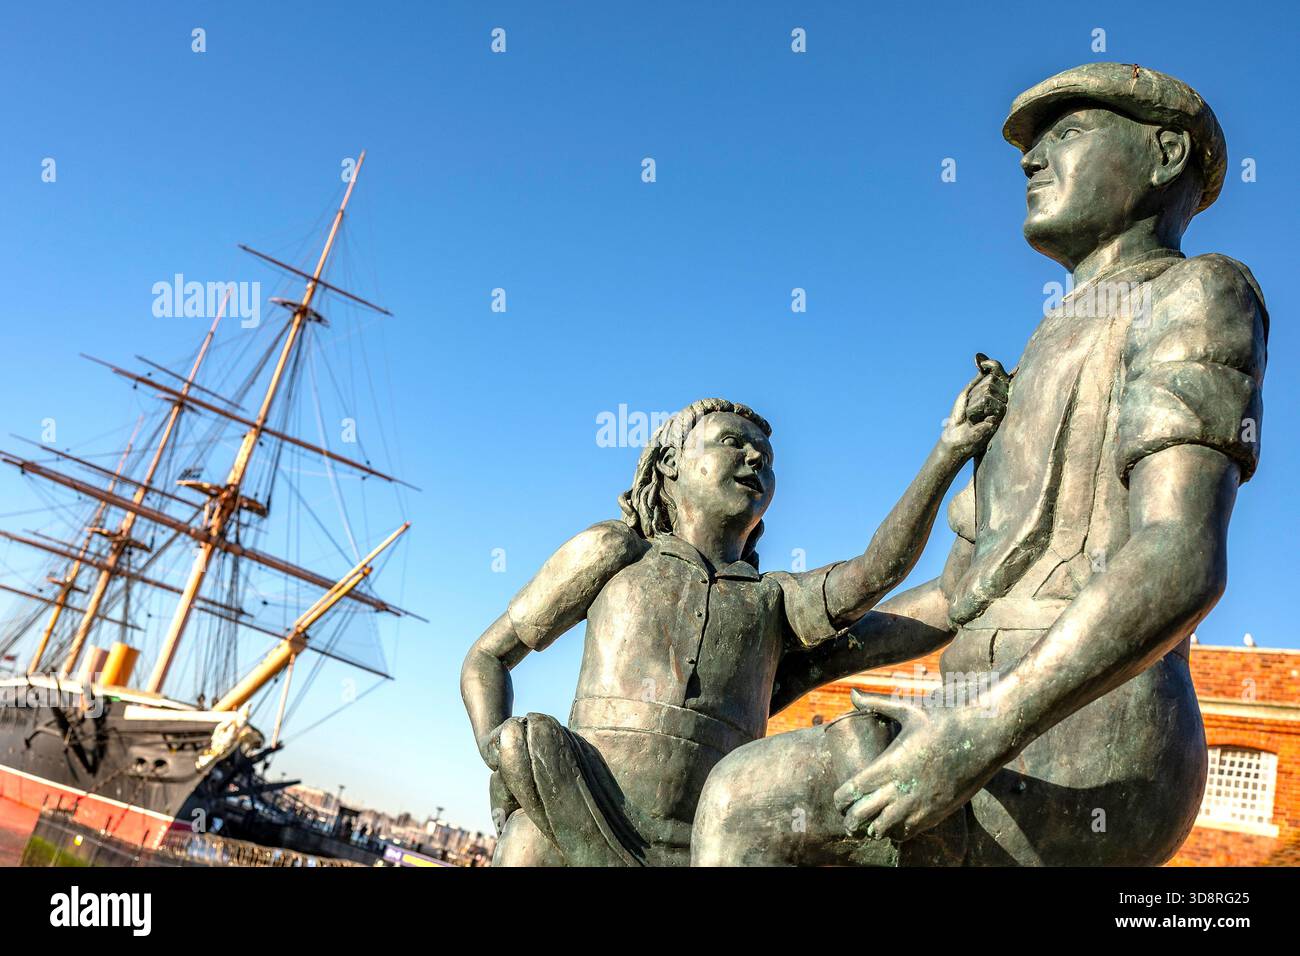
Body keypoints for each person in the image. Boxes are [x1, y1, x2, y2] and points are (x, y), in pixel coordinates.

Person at [691, 62, 1268, 866]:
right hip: (980, 716)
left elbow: (1180, 556)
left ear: (1166, 152)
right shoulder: (1038, 352)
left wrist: (976, 735)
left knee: (745, 804)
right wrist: (805, 664)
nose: (1031, 161)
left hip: (1090, 736)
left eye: (1066, 133)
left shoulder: (1198, 293)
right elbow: (965, 591)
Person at [461, 367, 1007, 866]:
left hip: (710, 843)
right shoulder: (613, 551)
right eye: (733, 443)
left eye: (767, 459)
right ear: (670, 463)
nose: (755, 460)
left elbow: (875, 575)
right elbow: (487, 657)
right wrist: (497, 746)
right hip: (573, 810)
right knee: (527, 846)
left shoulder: (774, 600)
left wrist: (950, 451)